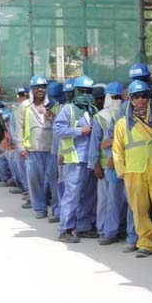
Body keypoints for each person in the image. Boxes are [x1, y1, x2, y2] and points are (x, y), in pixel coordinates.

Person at [112, 80, 152, 258]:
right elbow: (117, 150)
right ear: (131, 99)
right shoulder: (122, 124)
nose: (141, 100)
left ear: (150, 98)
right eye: (137, 97)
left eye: (145, 96)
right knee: (139, 210)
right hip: (133, 172)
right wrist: (122, 172)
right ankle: (145, 243)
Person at [53, 76, 99, 243]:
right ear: (76, 92)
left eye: (89, 92)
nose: (85, 95)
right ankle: (65, 229)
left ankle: (83, 227)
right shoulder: (68, 109)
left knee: (89, 195)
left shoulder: (92, 109)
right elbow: (58, 130)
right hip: (75, 159)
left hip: (90, 159)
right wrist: (80, 131)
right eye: (83, 91)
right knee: (71, 195)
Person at [89, 82, 126, 245]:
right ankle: (104, 229)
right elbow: (96, 143)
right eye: (114, 97)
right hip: (106, 166)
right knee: (106, 201)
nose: (116, 100)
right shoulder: (100, 117)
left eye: (119, 97)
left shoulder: (126, 114)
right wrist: (95, 164)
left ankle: (119, 229)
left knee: (122, 200)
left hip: (124, 164)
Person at [21, 77, 55, 219]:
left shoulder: (53, 104)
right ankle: (40, 208)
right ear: (32, 89)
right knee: (35, 180)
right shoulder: (25, 106)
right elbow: (19, 127)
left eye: (43, 87)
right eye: (37, 87)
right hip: (33, 149)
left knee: (53, 180)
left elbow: (60, 125)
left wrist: (52, 117)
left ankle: (57, 210)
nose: (40, 89)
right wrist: (20, 147)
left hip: (50, 147)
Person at [44, 81, 66, 222]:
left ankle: (63, 213)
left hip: (64, 152)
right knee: (55, 180)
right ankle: (58, 210)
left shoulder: (69, 107)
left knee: (64, 183)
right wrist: (51, 119)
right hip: (55, 148)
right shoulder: (55, 105)